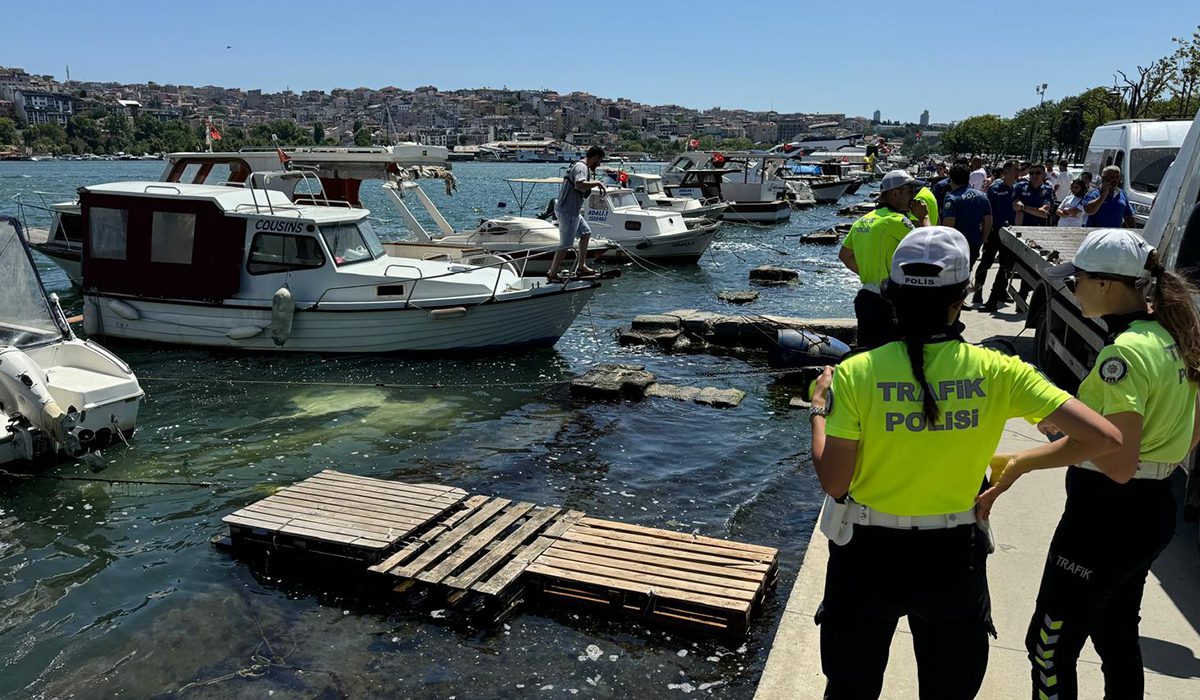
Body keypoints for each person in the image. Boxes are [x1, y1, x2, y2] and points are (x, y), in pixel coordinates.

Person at [809, 226, 1120, 700]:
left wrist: (818, 411)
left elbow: (834, 482)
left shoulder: (855, 375)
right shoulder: (999, 370)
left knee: (851, 688)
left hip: (867, 555)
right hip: (954, 555)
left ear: (892, 296)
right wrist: (1020, 463)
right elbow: (1104, 438)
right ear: (961, 300)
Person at [979, 228, 1200, 699]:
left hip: (1104, 518)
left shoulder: (1123, 354)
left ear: (1105, 284)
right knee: (1116, 633)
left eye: (1077, 278)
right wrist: (1087, 436)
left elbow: (1117, 461)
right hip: (1152, 510)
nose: (1071, 286)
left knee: (1047, 644)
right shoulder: (1173, 337)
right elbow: (1187, 432)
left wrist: (1020, 461)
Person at [839, 169, 929, 349]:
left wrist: (867, 271)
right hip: (890, 301)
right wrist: (924, 217)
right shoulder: (896, 220)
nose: (914, 196)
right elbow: (931, 248)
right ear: (896, 193)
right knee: (896, 355)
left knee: (868, 353)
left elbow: (845, 255)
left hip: (866, 297)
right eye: (910, 191)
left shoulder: (862, 221)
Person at [548, 145, 606, 280]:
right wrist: (597, 183)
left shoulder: (583, 167)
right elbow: (579, 184)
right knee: (566, 244)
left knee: (586, 233)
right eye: (600, 161)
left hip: (574, 210)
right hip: (567, 211)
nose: (599, 164)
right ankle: (552, 273)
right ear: (596, 157)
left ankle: (581, 266)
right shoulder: (581, 167)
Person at [973, 160, 1020, 309]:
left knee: (1005, 266)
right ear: (1006, 172)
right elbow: (985, 212)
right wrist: (985, 232)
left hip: (1010, 232)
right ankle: (978, 291)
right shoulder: (995, 189)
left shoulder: (1019, 189)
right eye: (1015, 170)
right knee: (986, 262)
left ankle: (996, 294)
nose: (1018, 173)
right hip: (994, 231)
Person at [942, 161, 993, 265]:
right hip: (974, 243)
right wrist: (982, 240)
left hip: (955, 246)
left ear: (951, 180)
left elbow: (949, 226)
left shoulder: (952, 198)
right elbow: (988, 221)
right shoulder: (982, 196)